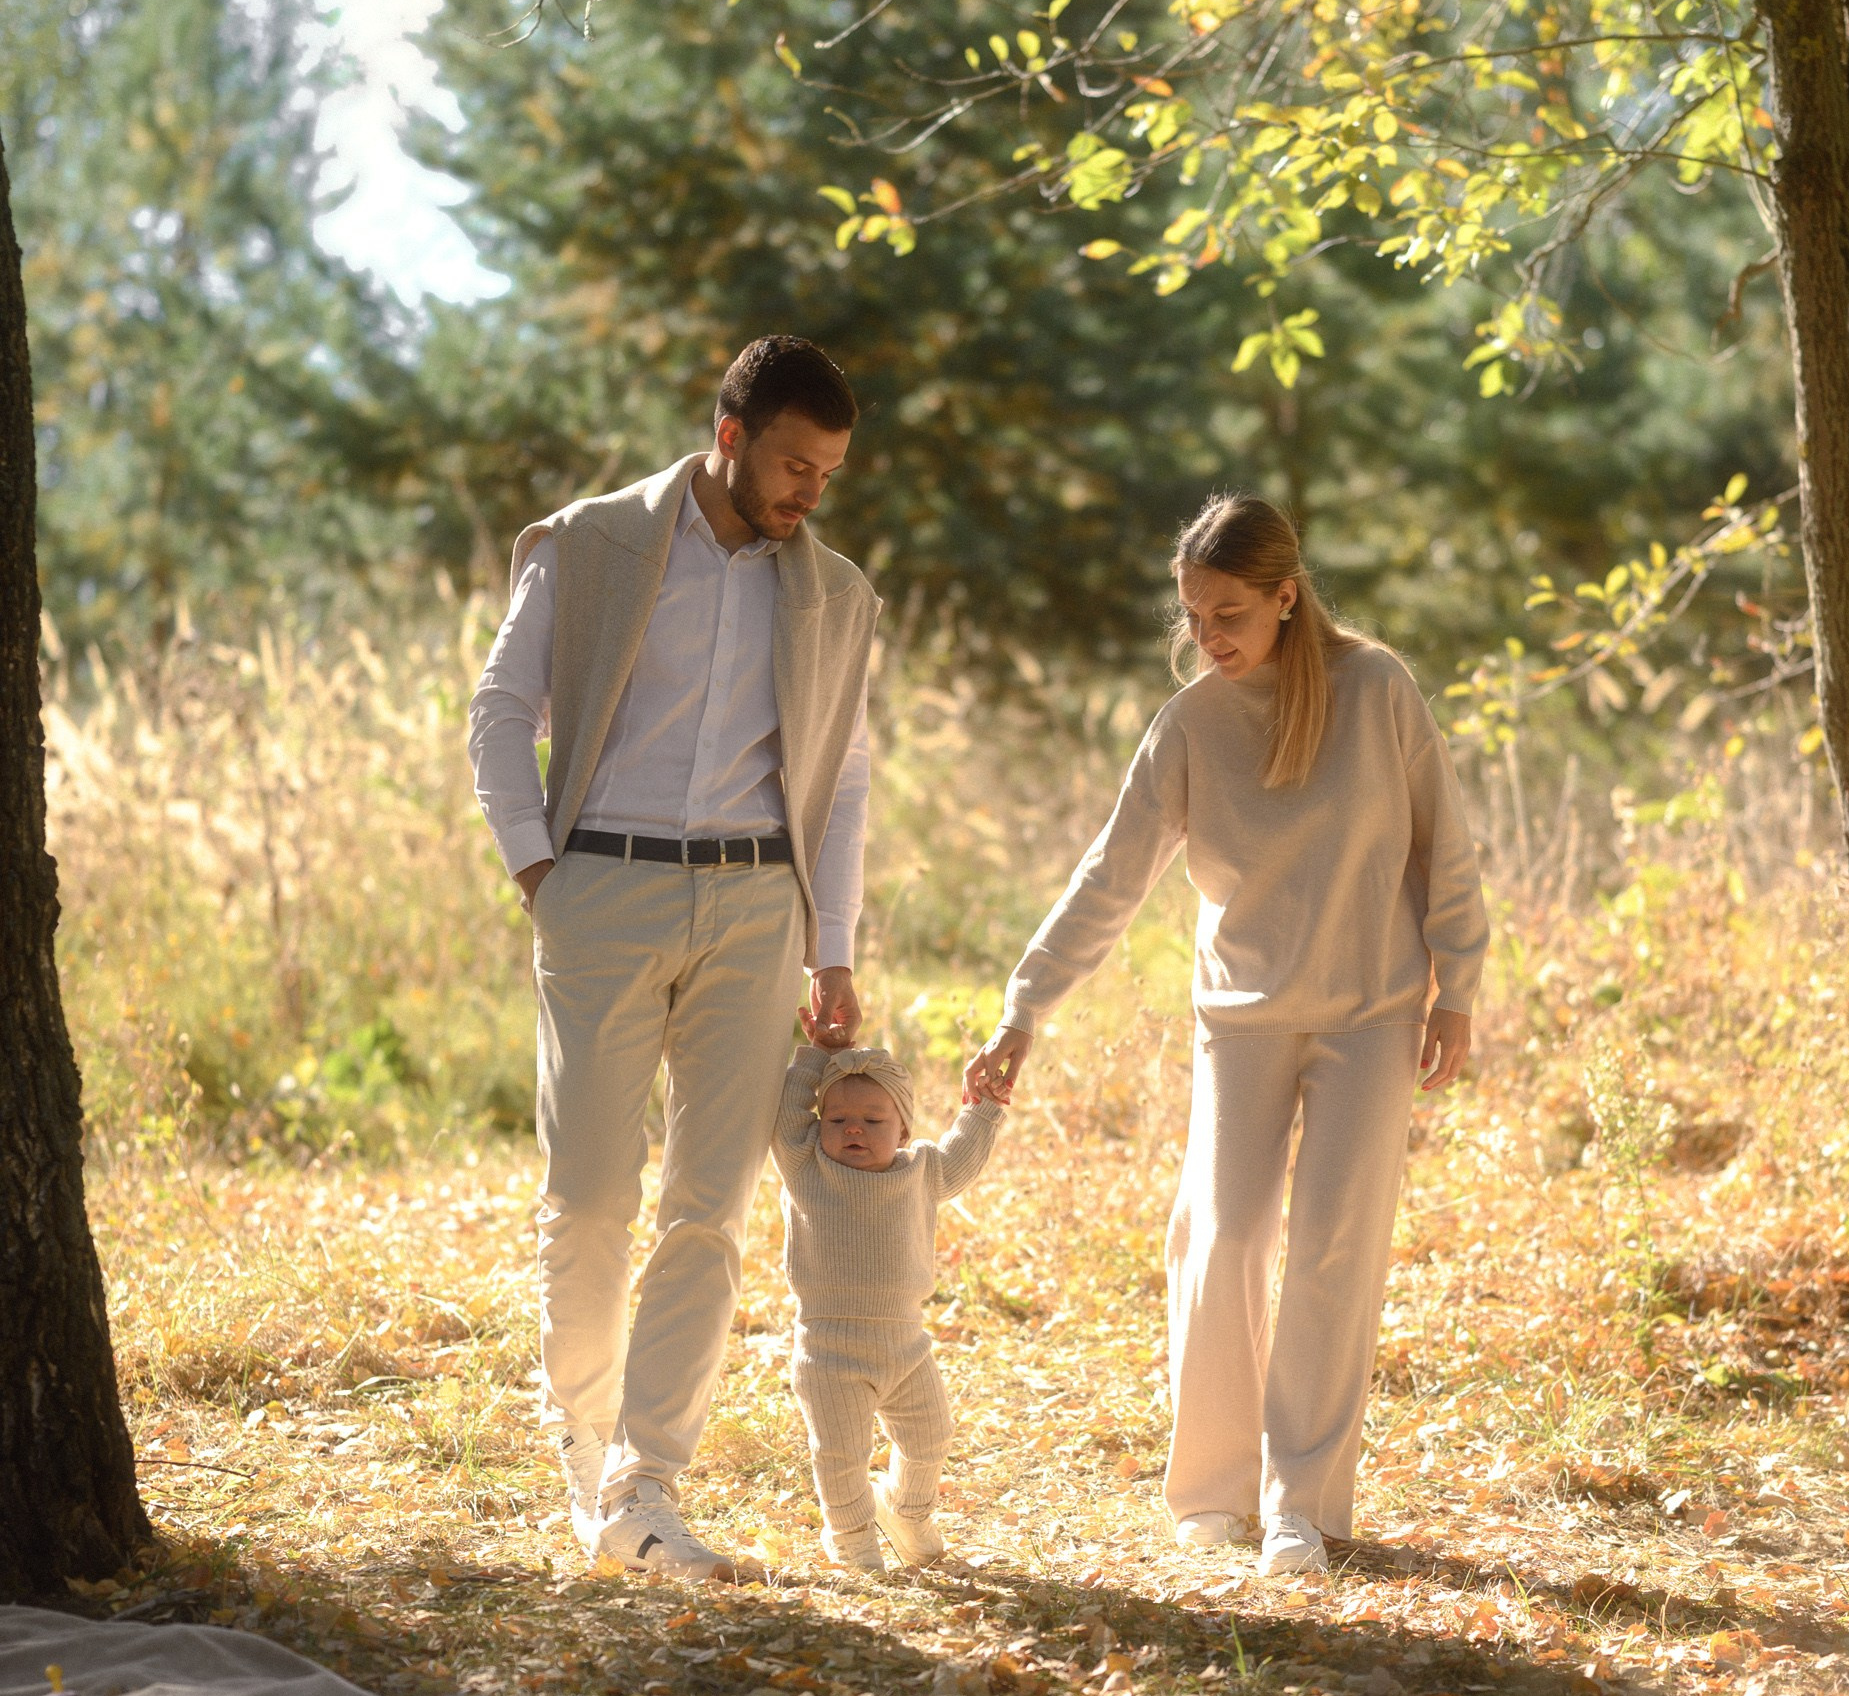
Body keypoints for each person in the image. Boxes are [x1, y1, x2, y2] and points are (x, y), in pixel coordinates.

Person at [966, 493, 1487, 1582]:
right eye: (1195, 616)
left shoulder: (1377, 690)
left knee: (1334, 1252)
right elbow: (1108, 880)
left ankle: (1302, 1503)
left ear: (1286, 600)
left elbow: (1445, 843)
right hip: (1240, 1023)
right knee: (1226, 1237)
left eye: (1231, 615)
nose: (1208, 638)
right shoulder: (1191, 724)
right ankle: (1211, 1493)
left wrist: (1457, 987)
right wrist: (1025, 1009)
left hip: (1370, 1016)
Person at [468, 336, 876, 1583]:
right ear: (730, 434)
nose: (811, 491)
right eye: (795, 464)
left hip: (758, 907)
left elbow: (845, 778)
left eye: (830, 472)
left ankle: (651, 1483)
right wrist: (543, 872)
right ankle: (583, 1454)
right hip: (601, 888)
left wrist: (834, 947)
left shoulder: (834, 594)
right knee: (589, 1195)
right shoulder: (590, 544)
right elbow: (500, 711)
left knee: (710, 1207)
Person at [770, 1042, 1006, 1572]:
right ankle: (851, 1533)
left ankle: (907, 1510)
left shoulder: (921, 1170)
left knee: (931, 1434)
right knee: (840, 1453)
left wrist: (983, 1106)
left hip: (906, 1344)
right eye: (838, 1118)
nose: (853, 1128)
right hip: (829, 1351)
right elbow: (787, 1116)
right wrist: (816, 1056)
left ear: (902, 1130)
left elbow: (964, 1153)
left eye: (872, 1119)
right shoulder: (805, 1164)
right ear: (818, 1124)